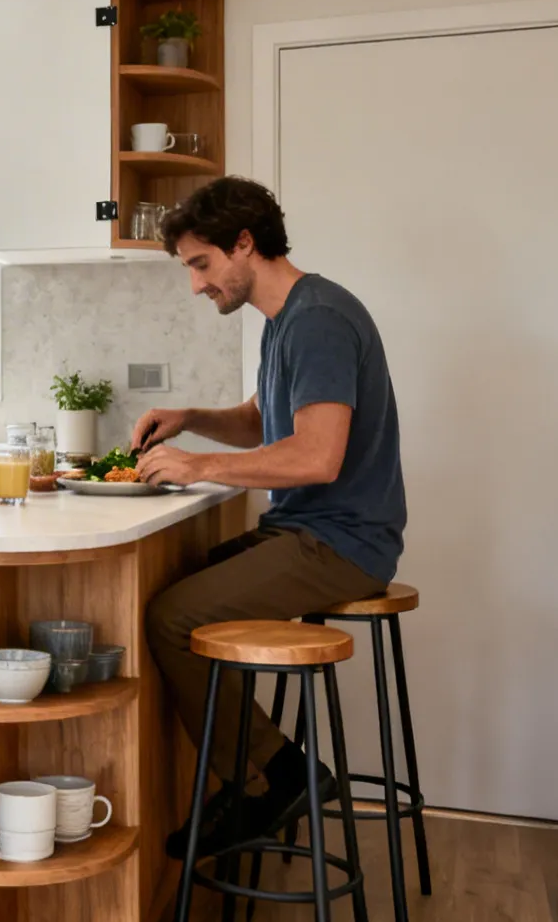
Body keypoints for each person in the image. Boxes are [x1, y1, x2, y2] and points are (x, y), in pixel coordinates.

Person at [129, 176, 406, 859]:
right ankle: (264, 775)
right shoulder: (289, 320)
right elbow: (261, 424)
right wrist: (191, 418)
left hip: (341, 543)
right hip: (311, 533)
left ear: (244, 243)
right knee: (186, 585)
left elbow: (316, 456)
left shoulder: (318, 321)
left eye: (200, 264)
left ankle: (277, 778)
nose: (196, 286)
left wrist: (197, 466)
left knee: (171, 616)